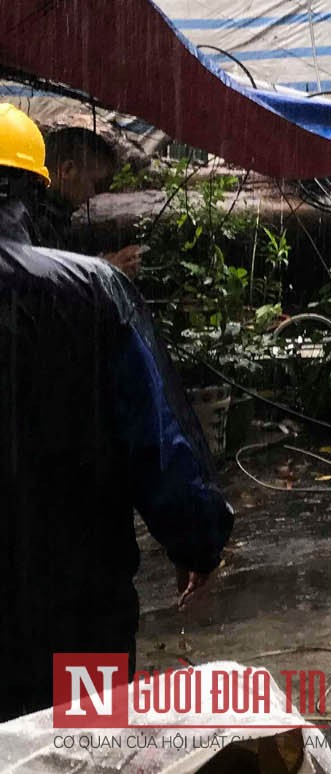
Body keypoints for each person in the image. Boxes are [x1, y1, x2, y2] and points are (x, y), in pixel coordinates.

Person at [0, 103, 234, 721]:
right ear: (33, 189)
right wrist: (198, 541)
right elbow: (159, 440)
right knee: (89, 750)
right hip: (78, 617)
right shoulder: (92, 290)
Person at [39, 125, 143, 275]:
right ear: (68, 170)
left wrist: (100, 262)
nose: (94, 195)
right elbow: (44, 280)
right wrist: (103, 270)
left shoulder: (53, 215)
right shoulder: (29, 216)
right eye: (96, 185)